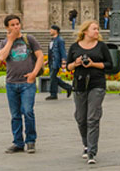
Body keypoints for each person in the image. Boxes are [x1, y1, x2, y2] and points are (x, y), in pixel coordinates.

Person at [0, 14, 43, 154]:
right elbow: (1, 57)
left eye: (17, 24)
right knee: (15, 115)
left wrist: (34, 74)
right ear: (7, 27)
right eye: (12, 25)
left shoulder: (29, 39)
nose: (16, 27)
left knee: (28, 111)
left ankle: (30, 141)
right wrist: (10, 40)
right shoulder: (4, 42)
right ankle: (18, 142)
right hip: (11, 83)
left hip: (26, 83)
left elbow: (40, 56)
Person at [67, 20, 112, 165]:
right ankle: (86, 144)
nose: (97, 31)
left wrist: (93, 64)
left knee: (92, 118)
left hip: (97, 84)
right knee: (81, 118)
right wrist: (76, 63)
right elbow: (68, 67)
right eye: (94, 29)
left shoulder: (102, 47)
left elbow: (109, 64)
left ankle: (92, 151)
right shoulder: (74, 47)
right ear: (85, 31)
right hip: (79, 85)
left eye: (98, 29)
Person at [45, 24, 72, 100]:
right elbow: (51, 52)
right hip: (51, 61)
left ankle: (53, 94)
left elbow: (62, 51)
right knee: (53, 77)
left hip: (56, 62)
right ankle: (68, 87)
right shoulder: (52, 40)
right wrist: (47, 60)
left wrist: (64, 61)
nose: (50, 31)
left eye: (51, 29)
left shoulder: (60, 40)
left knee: (52, 77)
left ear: (55, 31)